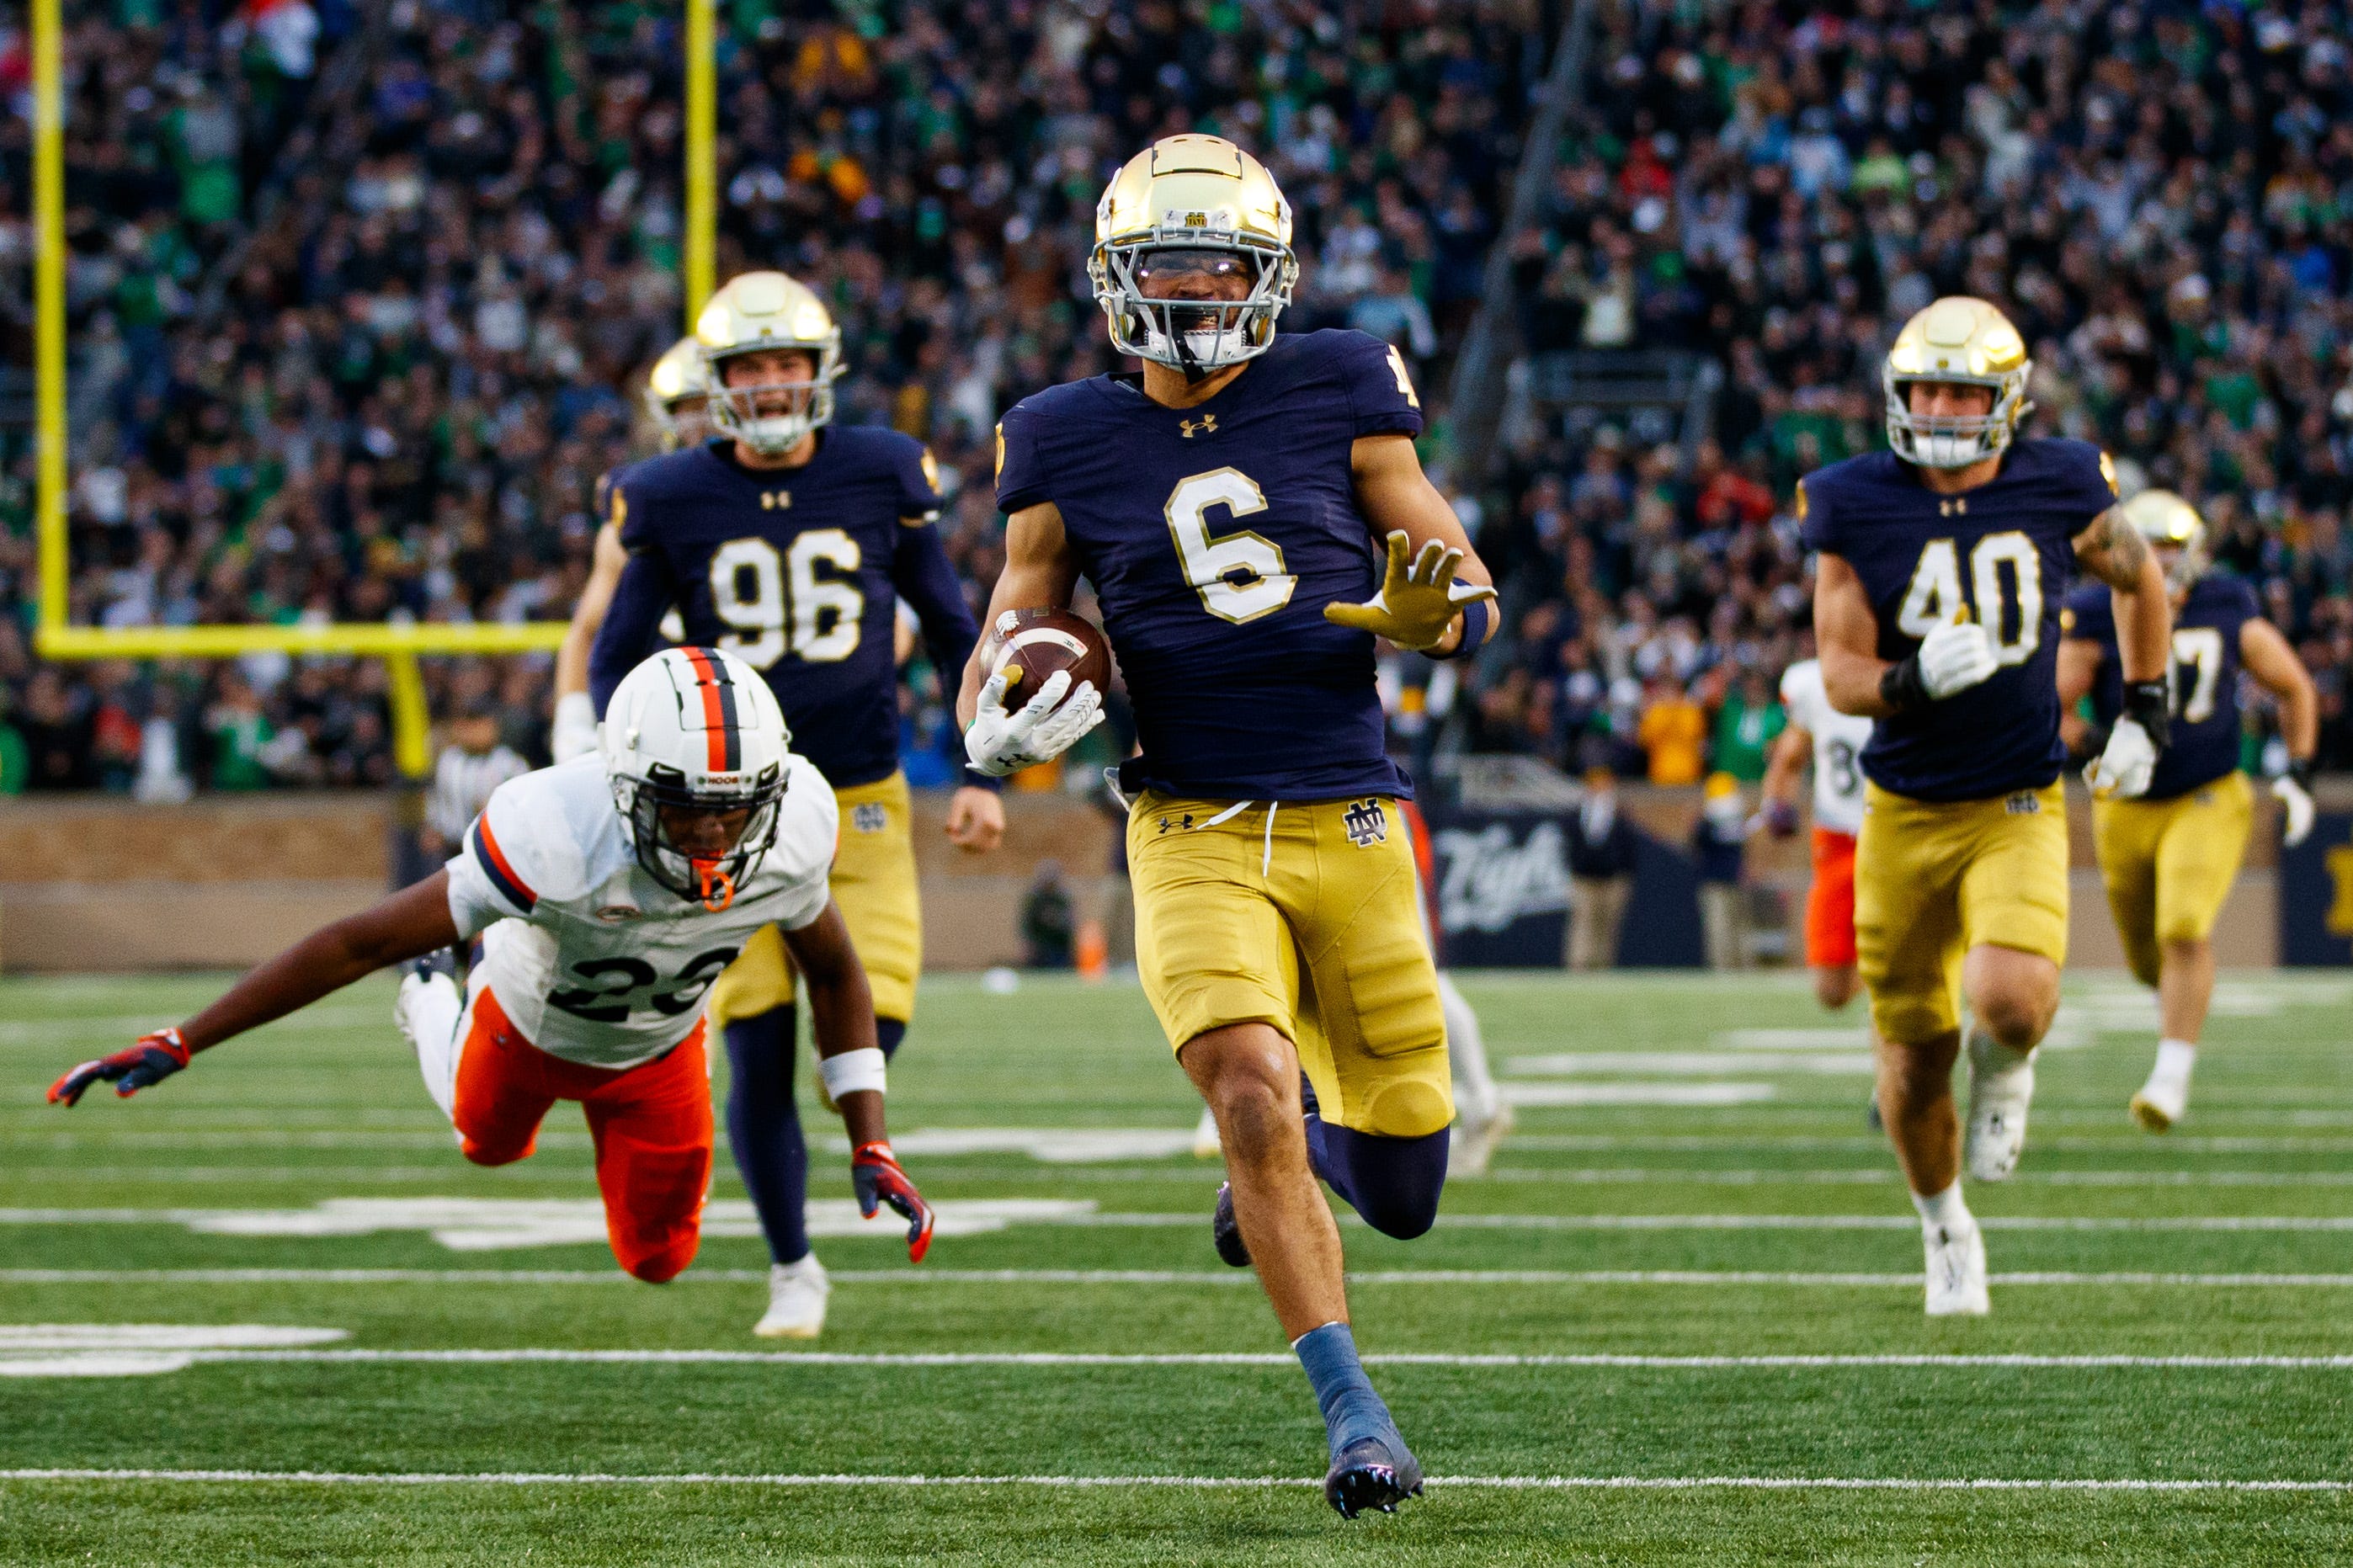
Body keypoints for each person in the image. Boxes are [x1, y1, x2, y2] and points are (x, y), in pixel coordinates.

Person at [959, 134, 1496, 1517]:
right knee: (1248, 1084)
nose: (1195, 292)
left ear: (1271, 276)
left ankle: (1316, 1157)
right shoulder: (1059, 432)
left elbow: (1451, 564)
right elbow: (1016, 616)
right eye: (1168, 265)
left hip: (1353, 813)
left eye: (1220, 265)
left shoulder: (1340, 379)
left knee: (1410, 1176)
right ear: (1114, 278)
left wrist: (1440, 612)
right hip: (1189, 820)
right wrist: (1000, 709)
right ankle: (1356, 1416)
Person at [48, 646, 935, 1284]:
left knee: (659, 1262)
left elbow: (834, 971)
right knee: (487, 1146)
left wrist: (871, 1137)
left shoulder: (794, 828)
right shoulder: (550, 827)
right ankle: (437, 998)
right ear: (624, 783)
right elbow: (358, 941)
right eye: (684, 807)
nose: (713, 832)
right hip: (526, 1025)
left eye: (734, 809)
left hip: (659, 1051)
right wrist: (185, 1038)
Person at [585, 272, 1007, 1340]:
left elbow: (954, 628)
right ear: (716, 384)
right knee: (758, 1047)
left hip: (859, 800)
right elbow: (614, 658)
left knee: (877, 1016)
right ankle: (791, 1266)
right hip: (726, 806)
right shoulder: (671, 493)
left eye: (785, 365)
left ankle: (848, 1140)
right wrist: (621, 772)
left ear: (818, 373)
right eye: (749, 369)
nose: (770, 387)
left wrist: (978, 769)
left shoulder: (878, 470)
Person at [1805, 296, 2172, 1317]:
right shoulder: (1852, 500)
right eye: (1923, 385)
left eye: (1961, 390)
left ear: (2004, 399)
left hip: (2014, 795)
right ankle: (1944, 1227)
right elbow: (1838, 671)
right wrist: (1910, 681)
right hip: (1902, 809)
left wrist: (2142, 709)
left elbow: (2142, 583)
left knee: (2008, 1001)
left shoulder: (2058, 480)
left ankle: (2008, 1068)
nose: (1937, 406)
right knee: (1914, 1061)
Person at [2057, 489, 2319, 1131]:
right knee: (2147, 956)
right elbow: (2052, 710)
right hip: (2125, 803)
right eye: (2152, 543)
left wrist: (2298, 772)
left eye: (2174, 544)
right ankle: (2171, 1012)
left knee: (2182, 926)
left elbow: (2292, 685)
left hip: (2207, 789)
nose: (2164, 558)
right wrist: (2102, 742)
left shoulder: (2224, 603)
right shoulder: (2095, 609)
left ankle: (2169, 1074)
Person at [1187, 795, 1514, 1173]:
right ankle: (1481, 1100)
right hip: (1304, 805)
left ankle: (1482, 1099)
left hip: (1354, 805)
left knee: (1417, 965)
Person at [550, 335, 714, 768]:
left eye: (711, 409)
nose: (700, 427)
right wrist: (574, 725)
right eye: (688, 410)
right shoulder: (642, 515)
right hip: (667, 735)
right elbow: (586, 632)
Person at [1759, 655, 1876, 1011]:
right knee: (1831, 989)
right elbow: (1790, 755)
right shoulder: (1811, 682)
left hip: (1899, 829)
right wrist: (1776, 799)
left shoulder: (1906, 666)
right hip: (1838, 836)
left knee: (1906, 963)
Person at [418, 693, 529, 861]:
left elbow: (523, 806)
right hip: (453, 847)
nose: (472, 732)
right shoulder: (449, 759)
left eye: (479, 725)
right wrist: (432, 826)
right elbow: (437, 796)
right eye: (467, 725)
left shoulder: (510, 763)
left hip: (494, 849)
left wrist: (493, 809)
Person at [1565, 765, 1639, 970]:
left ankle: (1602, 967)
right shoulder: (1579, 812)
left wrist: (1625, 875)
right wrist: (1575, 868)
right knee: (1582, 923)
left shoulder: (1620, 814)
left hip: (1613, 879)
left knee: (1607, 927)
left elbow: (1629, 847)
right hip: (1584, 878)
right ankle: (1579, 966)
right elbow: (1570, 843)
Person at [1692, 772, 1749, 970]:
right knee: (1721, 928)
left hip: (1730, 880)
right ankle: (1723, 967)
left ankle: (1738, 967)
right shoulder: (1708, 823)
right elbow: (1699, 843)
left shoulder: (1731, 819)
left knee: (1734, 927)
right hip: (1715, 882)